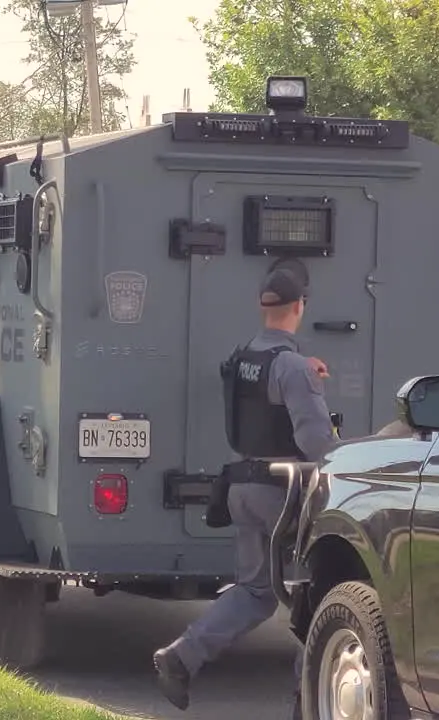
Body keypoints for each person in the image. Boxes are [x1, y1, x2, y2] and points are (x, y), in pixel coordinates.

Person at [153, 267, 337, 712]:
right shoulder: (293, 368)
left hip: (242, 488)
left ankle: (181, 657)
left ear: (263, 306)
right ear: (300, 307)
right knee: (326, 586)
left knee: (255, 592)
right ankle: (307, 697)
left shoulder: (243, 358)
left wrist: (302, 369)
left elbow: (263, 389)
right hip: (285, 493)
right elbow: (317, 443)